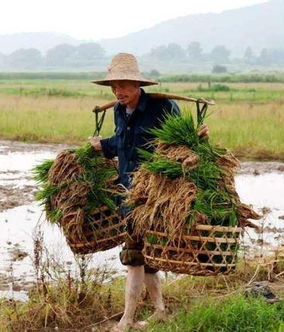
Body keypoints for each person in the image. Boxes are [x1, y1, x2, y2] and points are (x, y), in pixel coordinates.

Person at [89, 53, 208, 331]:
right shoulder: (119, 110)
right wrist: (100, 146)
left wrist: (200, 134)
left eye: (125, 86)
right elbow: (121, 143)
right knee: (146, 256)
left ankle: (127, 320)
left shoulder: (162, 107)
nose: (119, 91)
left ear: (138, 85)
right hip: (128, 194)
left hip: (155, 194)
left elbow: (183, 141)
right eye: (115, 86)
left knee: (134, 257)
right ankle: (160, 311)